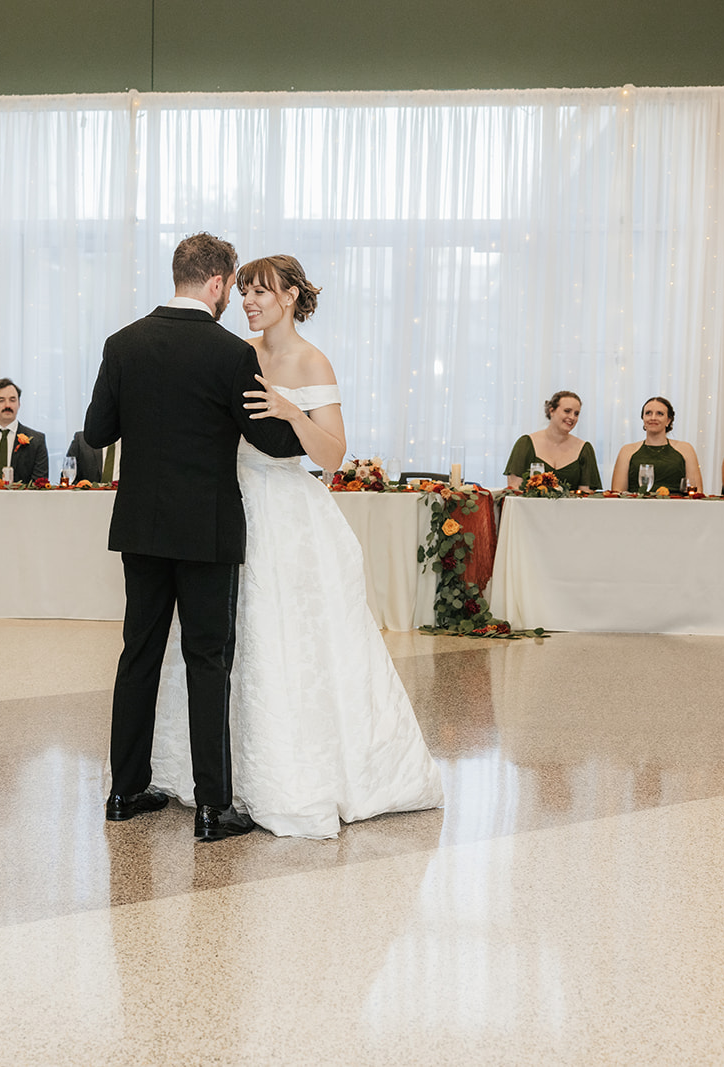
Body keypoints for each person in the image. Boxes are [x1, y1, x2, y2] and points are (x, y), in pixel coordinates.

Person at [142, 253, 443, 840]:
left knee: (292, 640)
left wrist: (291, 413)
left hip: (286, 509)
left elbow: (332, 454)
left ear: (290, 297)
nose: (248, 301)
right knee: (224, 641)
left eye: (260, 292)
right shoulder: (237, 354)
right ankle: (212, 776)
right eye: (245, 291)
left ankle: (301, 771)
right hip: (226, 505)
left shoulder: (311, 360)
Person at [86, 233, 304, 842]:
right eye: (232, 286)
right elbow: (267, 439)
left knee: (139, 656)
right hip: (207, 531)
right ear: (216, 284)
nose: (232, 297)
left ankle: (124, 792)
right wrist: (302, 423)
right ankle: (213, 807)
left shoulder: (122, 343)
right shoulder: (230, 354)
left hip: (141, 529)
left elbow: (97, 432)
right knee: (208, 662)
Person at [504, 391, 602, 491]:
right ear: (552, 411)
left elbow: (586, 495)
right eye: (567, 411)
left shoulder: (584, 449)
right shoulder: (525, 444)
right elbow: (515, 490)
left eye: (576, 414)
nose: (572, 417)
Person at [610, 396, 704, 493]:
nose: (653, 418)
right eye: (648, 413)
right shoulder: (627, 451)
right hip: (637, 507)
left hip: (676, 507)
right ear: (643, 418)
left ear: (668, 420)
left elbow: (697, 492)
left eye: (660, 414)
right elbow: (618, 492)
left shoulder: (686, 449)